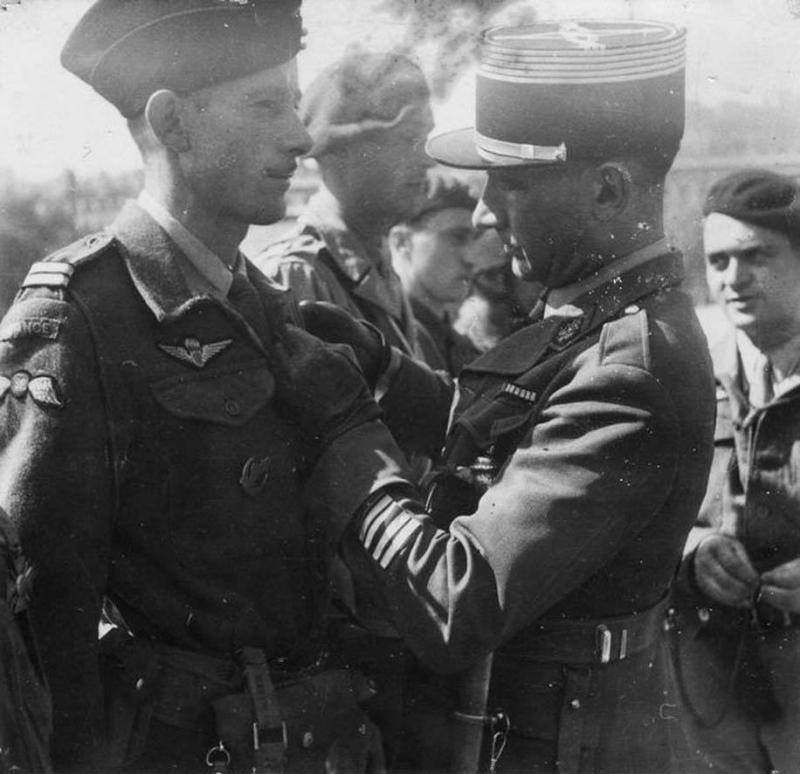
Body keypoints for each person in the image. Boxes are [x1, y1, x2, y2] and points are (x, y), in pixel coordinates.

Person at [0, 1, 409, 771]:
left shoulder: (269, 305)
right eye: (265, 104)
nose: (300, 135)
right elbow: (45, 634)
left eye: (294, 102)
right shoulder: (76, 317)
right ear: (172, 122)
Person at [301, 19, 716, 773]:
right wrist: (384, 372)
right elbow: (512, 434)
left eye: (513, 182)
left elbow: (457, 602)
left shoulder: (631, 369)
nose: (487, 212)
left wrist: (345, 434)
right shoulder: (600, 318)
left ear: (608, 187)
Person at [672, 169, 800, 773]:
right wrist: (694, 551)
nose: (732, 279)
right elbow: (641, 512)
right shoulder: (691, 380)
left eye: (756, 256)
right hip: (713, 687)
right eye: (717, 260)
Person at [255, 48, 435, 361]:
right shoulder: (295, 275)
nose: (426, 159)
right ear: (338, 152)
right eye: (408, 140)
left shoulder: (375, 257)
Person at [388, 168, 481, 375]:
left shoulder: (457, 342)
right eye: (456, 237)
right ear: (402, 242)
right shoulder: (391, 337)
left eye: (473, 239)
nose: (470, 258)